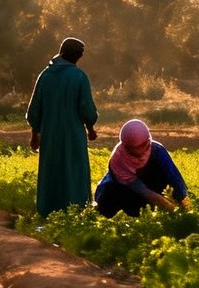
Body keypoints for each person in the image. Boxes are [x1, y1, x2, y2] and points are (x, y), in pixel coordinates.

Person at [25, 37, 98, 217]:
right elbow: (87, 110)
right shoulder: (80, 77)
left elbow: (35, 110)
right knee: (74, 170)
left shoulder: (45, 76)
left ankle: (48, 211)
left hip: (50, 135)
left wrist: (35, 134)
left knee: (52, 171)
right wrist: (90, 129)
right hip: (73, 135)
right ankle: (75, 210)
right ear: (76, 56)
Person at [94, 118, 189, 217]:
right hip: (127, 192)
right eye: (133, 149)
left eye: (142, 146)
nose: (138, 152)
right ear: (125, 145)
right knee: (107, 204)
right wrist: (170, 207)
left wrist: (186, 207)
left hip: (152, 187)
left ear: (148, 141)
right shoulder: (118, 160)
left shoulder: (157, 151)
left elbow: (175, 180)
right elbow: (143, 191)